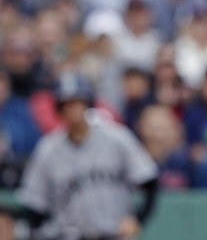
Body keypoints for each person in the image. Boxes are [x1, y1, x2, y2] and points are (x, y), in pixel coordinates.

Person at [17, 70, 159, 240]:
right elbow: (34, 204)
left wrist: (138, 219)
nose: (74, 109)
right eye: (67, 104)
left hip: (115, 234)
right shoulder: (48, 149)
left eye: (78, 103)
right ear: (59, 109)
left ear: (88, 104)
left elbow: (149, 180)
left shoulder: (117, 138)